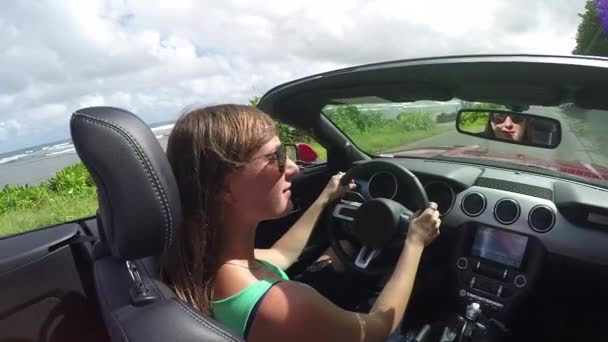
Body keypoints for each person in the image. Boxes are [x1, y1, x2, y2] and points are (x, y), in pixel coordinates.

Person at [162, 104, 441, 341]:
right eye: (276, 157)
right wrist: (415, 242)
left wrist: (324, 199)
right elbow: (379, 326)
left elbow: (282, 255)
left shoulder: (207, 263)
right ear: (224, 188)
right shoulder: (283, 304)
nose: (294, 167)